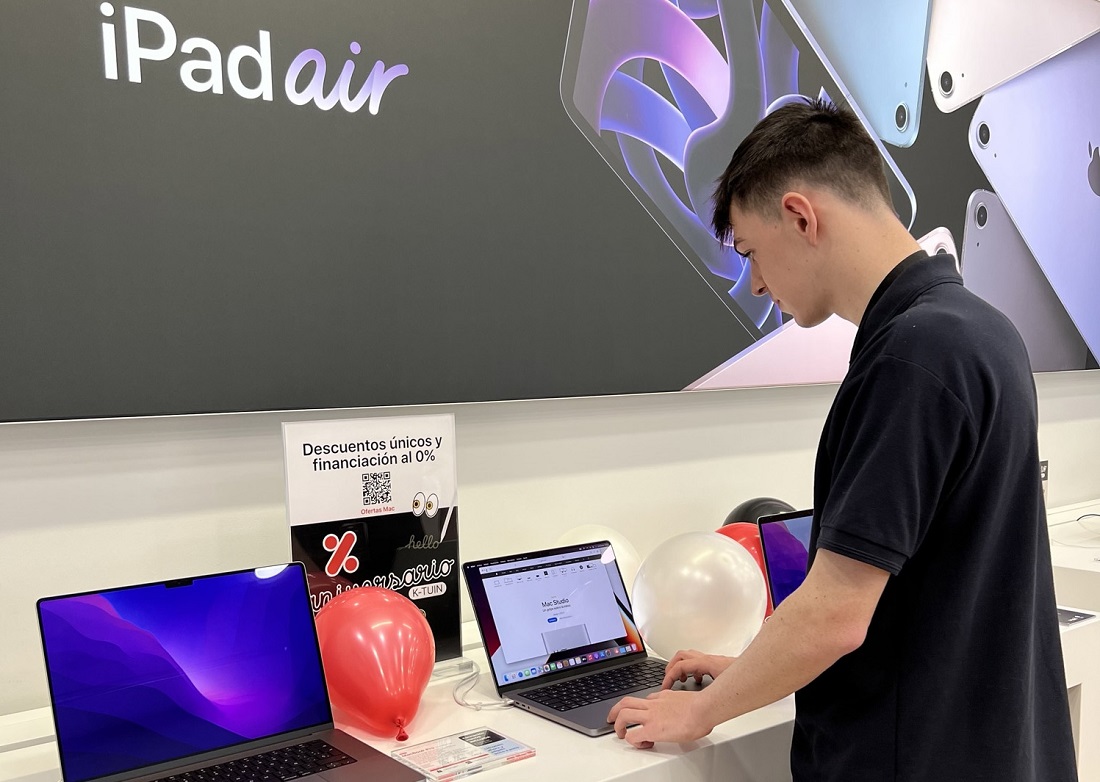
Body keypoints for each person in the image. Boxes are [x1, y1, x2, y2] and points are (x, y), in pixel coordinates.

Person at [607, 97, 1077, 781]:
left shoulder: (914, 359)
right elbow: (915, 590)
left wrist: (700, 712)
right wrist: (750, 671)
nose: (758, 283)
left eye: (751, 253)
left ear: (800, 217)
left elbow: (837, 612)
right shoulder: (982, 330)